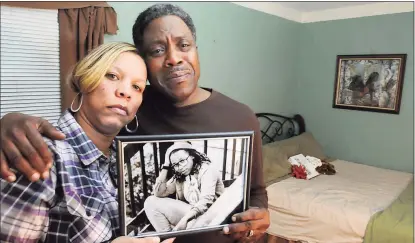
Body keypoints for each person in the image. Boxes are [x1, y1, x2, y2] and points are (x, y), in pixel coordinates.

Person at [0, 3, 270, 243]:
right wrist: (9, 121)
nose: (174, 58)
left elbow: (255, 191)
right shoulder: (128, 116)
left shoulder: (242, 116)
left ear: (196, 50)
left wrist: (258, 219)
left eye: (184, 45)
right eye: (157, 50)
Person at [0, 42, 174, 243]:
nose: (126, 92)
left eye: (137, 87)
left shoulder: (126, 160)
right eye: (112, 76)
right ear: (85, 80)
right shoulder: (42, 155)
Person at [144, 142, 225, 232]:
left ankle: (173, 236)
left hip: (211, 215)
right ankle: (167, 237)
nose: (180, 167)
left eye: (182, 161)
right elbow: (159, 193)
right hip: (192, 214)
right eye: (175, 165)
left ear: (192, 156)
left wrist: (184, 220)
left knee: (189, 225)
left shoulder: (208, 170)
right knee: (150, 202)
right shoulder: (181, 175)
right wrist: (166, 165)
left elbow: (205, 201)